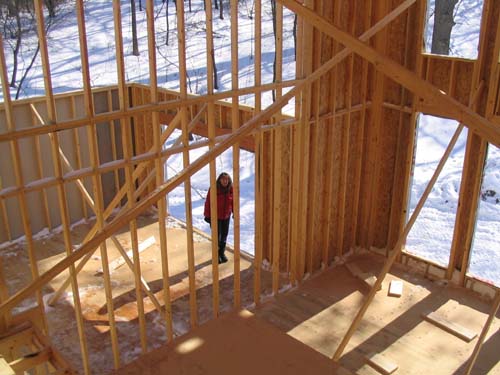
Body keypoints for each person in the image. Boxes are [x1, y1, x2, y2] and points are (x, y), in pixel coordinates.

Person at [204, 172, 233, 264]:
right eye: (223, 179)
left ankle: (222, 253)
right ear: (219, 180)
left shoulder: (230, 189)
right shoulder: (214, 189)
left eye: (227, 179)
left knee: (224, 235)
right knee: (217, 237)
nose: (225, 181)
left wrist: (234, 212)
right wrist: (207, 216)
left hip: (226, 216)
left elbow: (233, 202)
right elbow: (208, 202)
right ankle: (216, 255)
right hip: (216, 217)